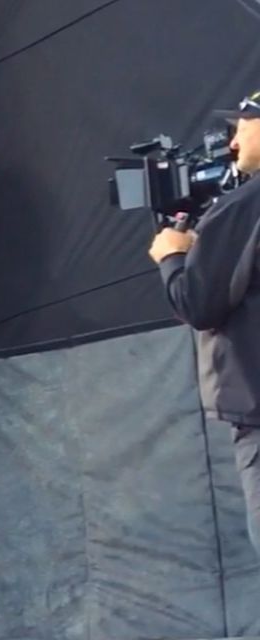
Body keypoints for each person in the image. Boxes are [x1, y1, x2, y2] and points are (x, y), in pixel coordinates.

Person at [149, 89, 260, 555]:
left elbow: (197, 304)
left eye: (242, 127)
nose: (232, 143)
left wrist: (172, 257)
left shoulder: (246, 205)